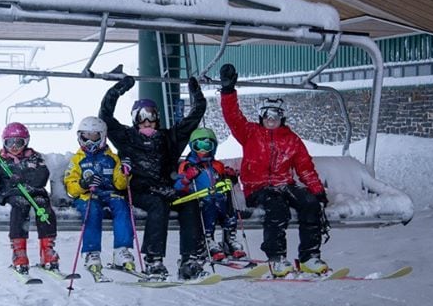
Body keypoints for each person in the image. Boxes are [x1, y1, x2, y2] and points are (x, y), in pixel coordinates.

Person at [218, 63, 329, 277]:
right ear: (261, 117)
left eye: (276, 116)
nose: (271, 120)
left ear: (282, 118)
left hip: (284, 184)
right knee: (278, 209)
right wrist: (228, 91)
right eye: (267, 115)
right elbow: (233, 117)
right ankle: (276, 257)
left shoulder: (291, 140)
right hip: (258, 187)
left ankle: (309, 256)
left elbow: (305, 167)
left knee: (309, 203)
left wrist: (316, 190)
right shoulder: (250, 133)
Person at [99, 75, 207, 279]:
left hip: (166, 188)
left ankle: (190, 260)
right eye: (141, 116)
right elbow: (104, 117)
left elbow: (194, 118)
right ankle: (154, 260)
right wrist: (118, 89)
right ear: (134, 119)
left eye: (151, 116)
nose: (147, 121)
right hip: (139, 190)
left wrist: (196, 94)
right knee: (158, 204)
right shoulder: (126, 137)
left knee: (190, 202)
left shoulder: (169, 138)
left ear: (158, 117)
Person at [0, 122, 60, 273]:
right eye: (10, 142)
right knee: (20, 207)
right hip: (13, 194)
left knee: (44, 208)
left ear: (26, 142)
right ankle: (19, 252)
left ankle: (47, 250)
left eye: (19, 142)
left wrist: (22, 177)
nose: (14, 147)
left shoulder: (34, 159)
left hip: (34, 193)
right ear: (4, 142)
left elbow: (42, 177)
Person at [62, 116, 135, 280]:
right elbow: (71, 187)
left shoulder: (112, 158)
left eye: (93, 136)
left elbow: (121, 185)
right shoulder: (77, 160)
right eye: (85, 136)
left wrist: (125, 172)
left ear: (102, 136)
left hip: (109, 193)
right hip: (87, 196)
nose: (89, 141)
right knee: (92, 210)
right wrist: (83, 183)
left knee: (122, 206)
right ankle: (91, 252)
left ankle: (122, 251)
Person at [172, 127, 246, 261]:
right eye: (198, 145)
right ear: (192, 147)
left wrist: (231, 176)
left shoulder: (217, 165)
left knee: (229, 210)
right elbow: (178, 186)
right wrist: (187, 178)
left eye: (207, 145)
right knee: (209, 209)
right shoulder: (187, 165)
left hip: (219, 197)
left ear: (213, 147)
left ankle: (229, 239)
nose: (203, 150)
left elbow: (227, 181)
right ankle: (209, 240)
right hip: (201, 199)